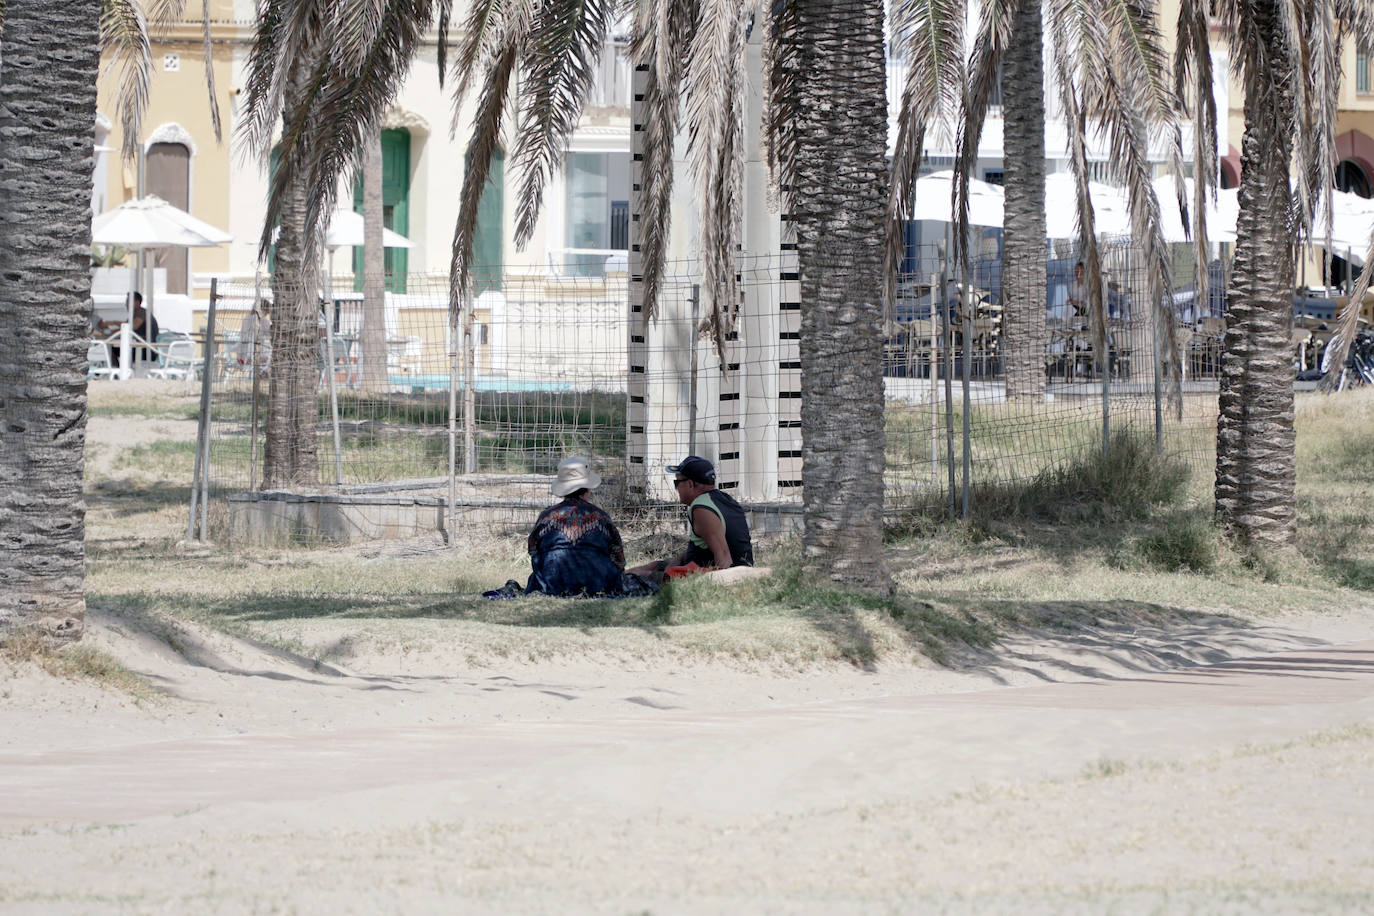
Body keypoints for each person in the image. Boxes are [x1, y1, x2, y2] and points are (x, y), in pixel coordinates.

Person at [484, 457, 658, 599]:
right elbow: (619, 559)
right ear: (588, 488)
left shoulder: (546, 517)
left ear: (563, 489)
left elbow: (534, 552)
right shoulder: (601, 517)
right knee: (642, 582)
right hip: (598, 583)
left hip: (551, 583)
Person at [630, 455, 753, 581]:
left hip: (711, 576)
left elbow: (724, 557)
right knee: (654, 565)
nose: (676, 488)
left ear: (690, 484)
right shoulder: (722, 499)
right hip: (727, 567)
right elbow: (707, 546)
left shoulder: (702, 508)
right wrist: (678, 559)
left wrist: (725, 586)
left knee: (639, 577)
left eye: (677, 483)